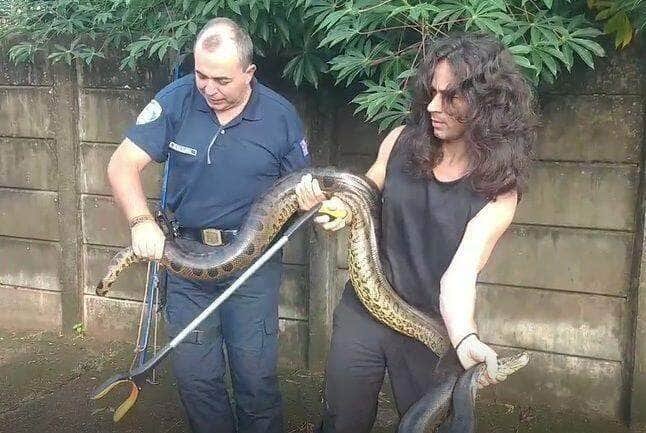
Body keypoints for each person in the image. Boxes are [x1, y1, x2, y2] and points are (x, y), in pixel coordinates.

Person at [295, 32, 537, 432]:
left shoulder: (498, 191)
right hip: (366, 309)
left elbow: (459, 276)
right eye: (432, 92)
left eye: (450, 97)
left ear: (486, 105)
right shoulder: (401, 142)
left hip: (430, 325)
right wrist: (335, 201)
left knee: (426, 424)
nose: (433, 106)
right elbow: (368, 188)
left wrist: (464, 340)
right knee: (341, 420)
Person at [107, 17, 310, 433]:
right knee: (197, 379)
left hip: (251, 266)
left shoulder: (279, 116)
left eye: (222, 79)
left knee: (255, 377)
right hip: (185, 261)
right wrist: (141, 221)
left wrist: (312, 202)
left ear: (249, 73)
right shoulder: (177, 100)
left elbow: (301, 189)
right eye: (201, 74)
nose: (209, 89)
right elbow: (122, 163)